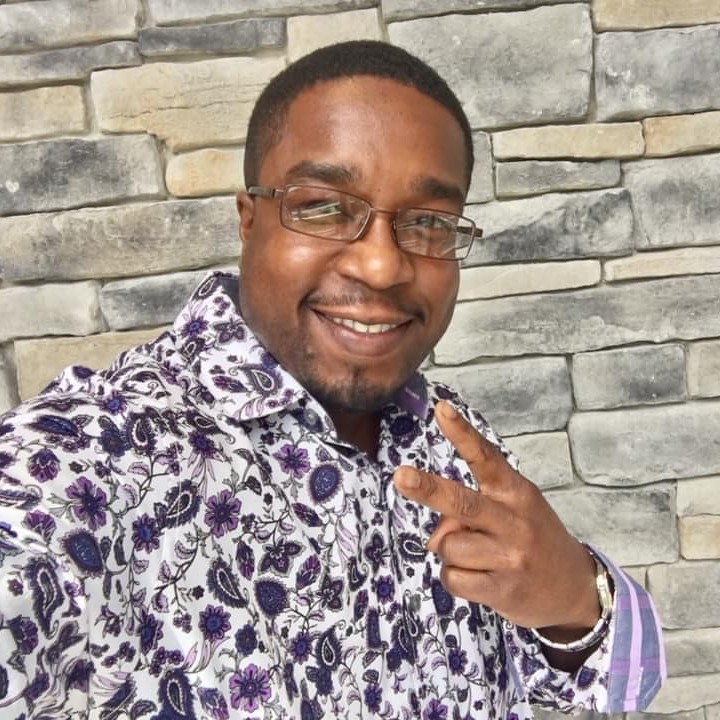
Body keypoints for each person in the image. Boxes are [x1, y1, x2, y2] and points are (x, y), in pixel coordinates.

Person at [0, 40, 664, 719]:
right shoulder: (94, 459)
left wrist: (574, 599)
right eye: (323, 207)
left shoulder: (453, 440)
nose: (382, 266)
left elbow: (618, 685)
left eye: (428, 222)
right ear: (249, 220)